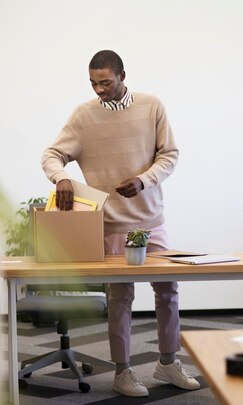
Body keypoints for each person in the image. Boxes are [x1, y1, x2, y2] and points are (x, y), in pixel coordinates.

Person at [41, 50, 200, 397]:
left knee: (168, 290)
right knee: (120, 296)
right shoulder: (83, 116)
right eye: (93, 83)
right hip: (110, 223)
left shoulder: (152, 106)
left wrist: (144, 180)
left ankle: (167, 362)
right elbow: (52, 154)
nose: (99, 89)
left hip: (150, 219)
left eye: (106, 82)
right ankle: (122, 371)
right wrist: (61, 178)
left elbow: (169, 154)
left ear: (122, 75)